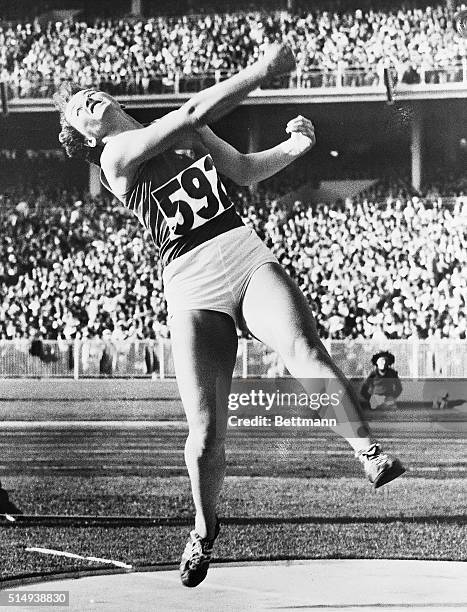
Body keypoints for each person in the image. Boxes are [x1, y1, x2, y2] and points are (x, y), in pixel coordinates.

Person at [53, 43, 405, 588]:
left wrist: (295, 145)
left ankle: (369, 452)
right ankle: (203, 527)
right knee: (206, 432)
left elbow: (241, 172)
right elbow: (193, 112)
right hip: (190, 284)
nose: (87, 100)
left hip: (241, 250)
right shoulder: (114, 157)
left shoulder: (185, 132)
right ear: (88, 137)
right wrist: (261, 72)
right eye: (78, 108)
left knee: (304, 350)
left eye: (89, 94)